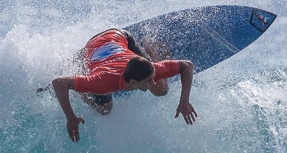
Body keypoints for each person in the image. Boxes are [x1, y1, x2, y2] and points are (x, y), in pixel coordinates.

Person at [52, 29, 197, 142]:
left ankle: (149, 46)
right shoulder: (102, 82)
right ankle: (80, 87)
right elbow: (59, 82)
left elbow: (187, 66)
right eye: (148, 81)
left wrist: (184, 100)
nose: (152, 82)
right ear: (133, 82)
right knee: (105, 110)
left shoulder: (152, 69)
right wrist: (70, 117)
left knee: (161, 90)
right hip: (93, 47)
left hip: (119, 36)